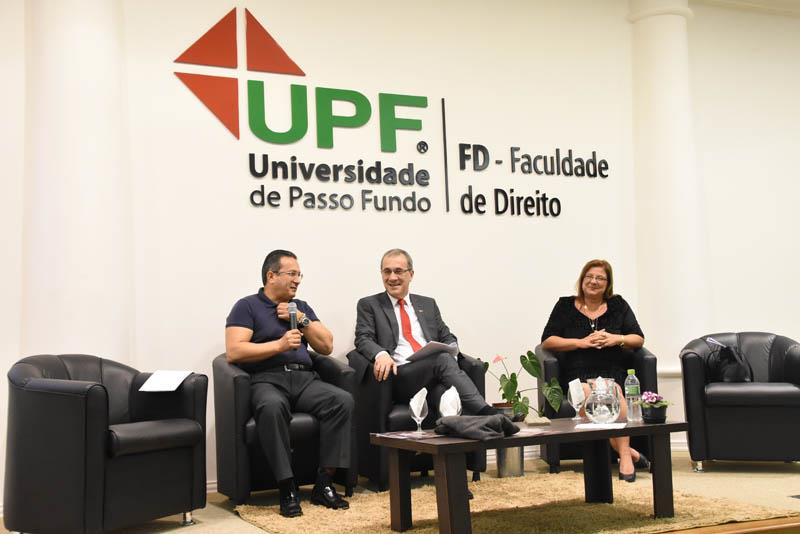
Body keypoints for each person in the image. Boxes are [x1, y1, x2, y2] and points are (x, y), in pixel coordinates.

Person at [225, 249, 353, 517]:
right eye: (292, 274)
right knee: (271, 406)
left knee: (342, 400)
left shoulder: (300, 306)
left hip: (305, 379)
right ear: (271, 275)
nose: (297, 280)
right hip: (267, 379)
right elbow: (234, 351)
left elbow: (326, 346)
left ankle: (324, 483)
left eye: (299, 275)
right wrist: (279, 345)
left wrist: (303, 320)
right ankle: (287, 487)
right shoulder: (247, 306)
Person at [540, 258, 648, 482]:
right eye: (589, 277)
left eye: (600, 278)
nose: (594, 281)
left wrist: (615, 338)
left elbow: (638, 338)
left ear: (607, 283)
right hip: (577, 375)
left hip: (611, 372)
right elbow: (547, 341)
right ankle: (627, 452)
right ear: (582, 280)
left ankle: (625, 457)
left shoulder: (618, 305)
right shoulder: (565, 306)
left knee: (614, 391)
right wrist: (581, 343)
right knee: (589, 394)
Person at [353, 248, 496, 416]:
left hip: (432, 374)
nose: (392, 277)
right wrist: (380, 354)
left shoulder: (428, 304)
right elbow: (363, 338)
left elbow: (447, 336)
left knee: (443, 392)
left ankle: (463, 427)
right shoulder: (369, 304)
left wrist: (452, 354)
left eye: (398, 271)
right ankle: (486, 411)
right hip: (400, 375)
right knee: (442, 359)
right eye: (387, 271)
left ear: (411, 274)